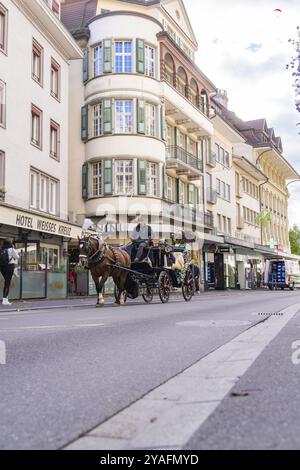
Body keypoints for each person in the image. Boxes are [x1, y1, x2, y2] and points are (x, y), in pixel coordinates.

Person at [0, 240, 19, 306]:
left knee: (6, 282)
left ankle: (6, 298)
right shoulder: (11, 249)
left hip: (2, 267)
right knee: (7, 283)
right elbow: (17, 257)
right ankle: (5, 300)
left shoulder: (1, 249)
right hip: (9, 266)